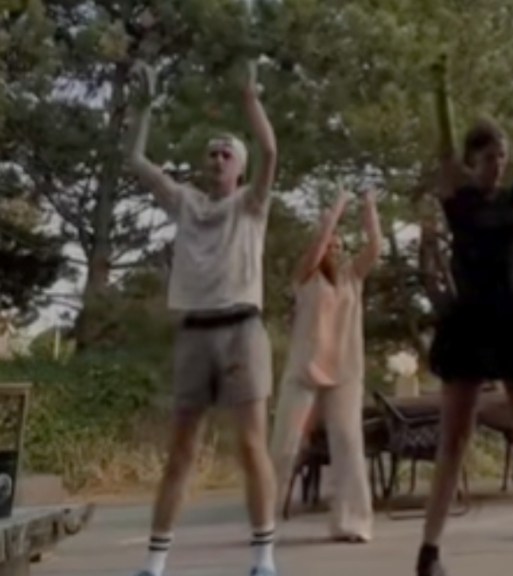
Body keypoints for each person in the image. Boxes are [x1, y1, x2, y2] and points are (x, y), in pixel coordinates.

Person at [416, 50, 513, 576]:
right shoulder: (458, 198)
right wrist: (439, 91)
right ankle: (429, 551)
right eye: (488, 156)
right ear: (472, 159)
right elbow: (441, 146)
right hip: (468, 324)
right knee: (454, 438)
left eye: (502, 156)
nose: (498, 163)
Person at [126, 60, 280, 576]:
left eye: (226, 153)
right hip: (193, 333)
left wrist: (250, 99)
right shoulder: (186, 202)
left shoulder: (251, 205)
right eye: (211, 153)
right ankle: (154, 564)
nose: (217, 158)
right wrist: (144, 108)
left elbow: (272, 152)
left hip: (242, 331)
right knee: (181, 451)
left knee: (251, 444)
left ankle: (263, 560)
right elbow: (136, 159)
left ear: (238, 167)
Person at [270, 186, 383, 542]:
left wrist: (368, 206)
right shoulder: (305, 276)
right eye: (329, 246)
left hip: (345, 372)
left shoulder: (353, 278)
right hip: (304, 371)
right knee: (284, 445)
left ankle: (352, 523)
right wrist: (338, 205)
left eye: (339, 246)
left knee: (348, 443)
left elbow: (375, 246)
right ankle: (264, 518)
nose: (333, 250)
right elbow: (318, 243)